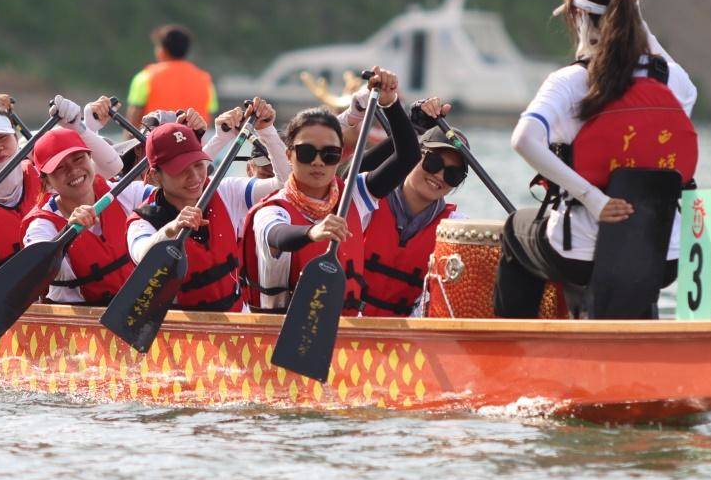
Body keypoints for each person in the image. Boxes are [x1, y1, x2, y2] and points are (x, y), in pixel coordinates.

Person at [496, 0, 698, 319]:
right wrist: (641, 29)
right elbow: (678, 82)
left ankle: (513, 360)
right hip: (664, 255)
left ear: (578, 19)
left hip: (580, 254)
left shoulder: (570, 82)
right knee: (632, 261)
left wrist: (594, 199)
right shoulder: (675, 81)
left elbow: (523, 140)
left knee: (516, 231)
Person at [243, 70, 410, 314]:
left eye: (329, 154)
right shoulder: (273, 210)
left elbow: (407, 157)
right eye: (307, 153)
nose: (318, 162)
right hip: (279, 333)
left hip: (346, 335)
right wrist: (312, 232)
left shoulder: (353, 194)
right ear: (289, 155)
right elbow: (277, 235)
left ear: (341, 156)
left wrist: (391, 104)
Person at [0, 94, 123, 297]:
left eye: (2, 137)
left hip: (40, 300)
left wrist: (81, 127)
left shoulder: (44, 173)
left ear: (15, 139)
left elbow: (113, 168)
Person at [125, 98, 288, 313]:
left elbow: (285, 183)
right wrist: (171, 229)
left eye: (198, 165)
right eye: (181, 169)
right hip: (179, 334)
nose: (194, 177)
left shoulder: (226, 192)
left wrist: (267, 131)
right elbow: (142, 253)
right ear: (156, 176)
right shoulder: (142, 221)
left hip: (237, 321)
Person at [348, 101, 471, 317]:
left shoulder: (455, 230)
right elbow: (346, 178)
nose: (440, 176)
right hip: (344, 327)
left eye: (453, 175)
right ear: (416, 155)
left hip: (404, 342)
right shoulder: (366, 198)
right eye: (433, 163)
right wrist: (412, 127)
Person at [18, 127, 154, 306]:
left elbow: (173, 199)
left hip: (135, 311)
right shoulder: (41, 224)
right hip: (77, 325)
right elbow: (34, 267)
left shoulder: (124, 193)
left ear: (91, 159)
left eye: (78, 158)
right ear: (46, 181)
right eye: (60, 167)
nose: (73, 171)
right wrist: (67, 232)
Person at [126, 23, 217, 122]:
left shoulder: (145, 77)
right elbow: (209, 117)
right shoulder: (205, 80)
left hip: (155, 137)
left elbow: (132, 122)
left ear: (162, 50)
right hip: (193, 137)